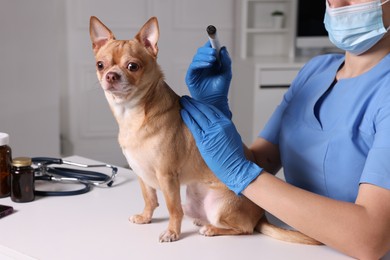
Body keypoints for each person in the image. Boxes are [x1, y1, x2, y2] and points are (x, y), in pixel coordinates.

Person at [180, 0, 390, 259]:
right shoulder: (316, 69)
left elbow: (371, 239)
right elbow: (260, 161)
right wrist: (215, 110)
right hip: (291, 243)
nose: (336, 2)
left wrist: (241, 173)